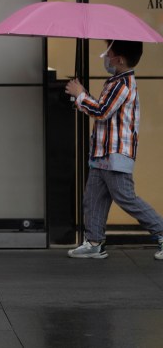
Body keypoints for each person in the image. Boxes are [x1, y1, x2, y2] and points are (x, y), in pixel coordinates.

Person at [65, 40, 163, 260]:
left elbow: (101, 111)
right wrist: (80, 96)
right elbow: (103, 109)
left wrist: (80, 94)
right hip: (103, 152)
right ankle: (94, 242)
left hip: (115, 153)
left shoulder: (123, 84)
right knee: (93, 198)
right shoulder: (116, 81)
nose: (106, 59)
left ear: (119, 59)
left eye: (108, 55)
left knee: (126, 197)